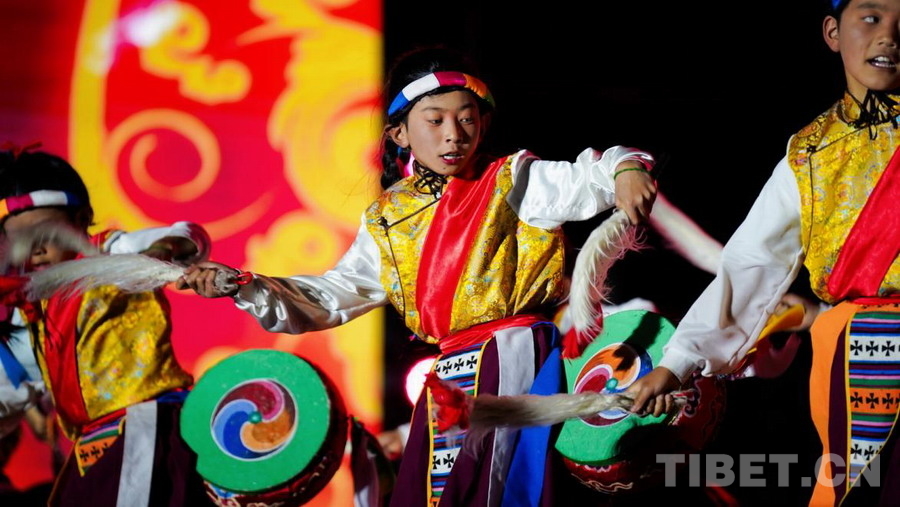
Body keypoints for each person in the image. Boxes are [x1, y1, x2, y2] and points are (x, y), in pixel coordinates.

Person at [180, 46, 656, 506]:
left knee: (497, 492)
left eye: (466, 119)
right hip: (447, 374)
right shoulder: (388, 216)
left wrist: (625, 169)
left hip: (513, 358)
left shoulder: (512, 180)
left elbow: (590, 175)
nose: (454, 134)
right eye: (435, 120)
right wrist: (246, 285)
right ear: (400, 134)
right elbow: (330, 297)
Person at [628, 0, 900, 504]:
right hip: (854, 353)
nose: (890, 35)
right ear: (832, 32)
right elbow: (753, 262)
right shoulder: (809, 153)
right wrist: (679, 361)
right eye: (871, 18)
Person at [0, 148, 213, 506]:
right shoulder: (33, 305)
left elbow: (189, 235)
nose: (34, 251)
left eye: (45, 233)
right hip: (91, 444)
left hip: (144, 424)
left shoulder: (110, 253)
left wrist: (162, 250)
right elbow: (11, 385)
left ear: (82, 219)